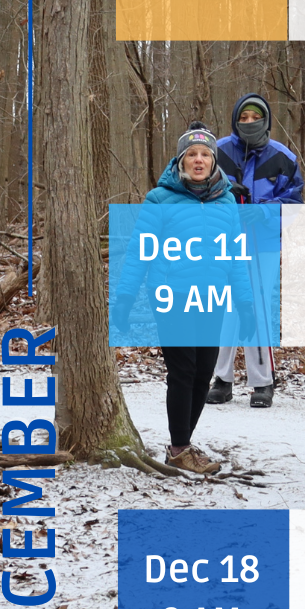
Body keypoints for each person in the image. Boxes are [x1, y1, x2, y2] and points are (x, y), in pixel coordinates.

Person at [115, 123, 255, 473]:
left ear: (214, 161)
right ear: (181, 161)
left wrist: (245, 305)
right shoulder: (160, 199)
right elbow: (139, 252)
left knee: (204, 372)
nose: (198, 159)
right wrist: (125, 298)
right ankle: (180, 447)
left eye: (205, 154)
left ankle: (182, 445)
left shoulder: (226, 201)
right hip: (172, 295)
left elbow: (234, 257)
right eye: (191, 154)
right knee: (183, 371)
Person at [207, 94, 304, 409]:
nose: (249, 123)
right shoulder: (217, 151)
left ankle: (262, 382)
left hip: (263, 243)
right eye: (244, 118)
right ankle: (221, 380)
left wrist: (262, 211)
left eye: (255, 117)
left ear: (266, 120)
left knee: (257, 306)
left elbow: (294, 203)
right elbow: (196, 188)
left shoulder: (283, 157)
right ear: (235, 120)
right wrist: (225, 194)